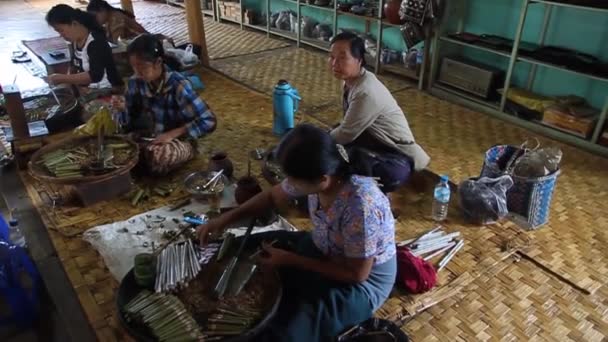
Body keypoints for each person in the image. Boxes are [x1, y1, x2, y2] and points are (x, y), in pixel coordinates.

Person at [196, 124, 397, 342]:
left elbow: (356, 275)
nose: (288, 185)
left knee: (287, 333)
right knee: (248, 245)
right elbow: (272, 197)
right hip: (323, 248)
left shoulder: (362, 207)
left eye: (293, 180)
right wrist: (222, 221)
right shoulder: (324, 175)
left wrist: (291, 260)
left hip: (358, 287)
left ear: (322, 179)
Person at [328, 32, 430, 193]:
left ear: (359, 60)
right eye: (331, 57)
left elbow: (346, 134)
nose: (334, 63)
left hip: (397, 155)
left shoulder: (365, 91)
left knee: (369, 164)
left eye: (342, 58)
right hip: (373, 141)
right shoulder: (352, 81)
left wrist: (319, 142)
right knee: (336, 137)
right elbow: (347, 128)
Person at [117, 34, 216, 175]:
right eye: (134, 67)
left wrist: (172, 134)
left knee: (160, 156)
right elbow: (126, 125)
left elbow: (209, 121)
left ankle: (142, 162)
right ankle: (140, 161)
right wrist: (122, 109)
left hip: (175, 142)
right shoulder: (135, 82)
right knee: (115, 147)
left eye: (143, 67)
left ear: (158, 62)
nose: (137, 72)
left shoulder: (178, 86)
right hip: (146, 138)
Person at [45, 4, 123, 93]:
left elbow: (95, 75)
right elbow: (73, 66)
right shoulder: (74, 41)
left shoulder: (96, 42)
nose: (60, 35)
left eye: (61, 30)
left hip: (107, 91)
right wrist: (67, 85)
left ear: (74, 23)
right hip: (87, 91)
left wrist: (62, 78)